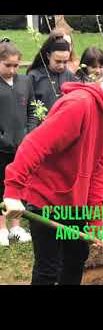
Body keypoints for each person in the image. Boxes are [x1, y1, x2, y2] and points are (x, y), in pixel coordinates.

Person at [2, 54, 103, 285]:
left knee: (76, 258)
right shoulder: (79, 105)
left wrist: (95, 220)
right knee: (48, 270)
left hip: (74, 205)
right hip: (47, 201)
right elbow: (34, 144)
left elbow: (99, 171)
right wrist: (12, 192)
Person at [0, 42, 36, 246]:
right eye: (7, 65)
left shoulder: (25, 82)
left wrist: (28, 134)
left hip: (21, 146)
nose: (12, 70)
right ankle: (2, 228)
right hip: (1, 146)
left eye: (16, 66)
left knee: (18, 186)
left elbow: (32, 110)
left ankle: (15, 227)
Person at [27, 32, 76, 111]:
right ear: (48, 56)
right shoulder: (34, 76)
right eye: (58, 61)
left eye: (65, 62)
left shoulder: (70, 76)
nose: (62, 66)